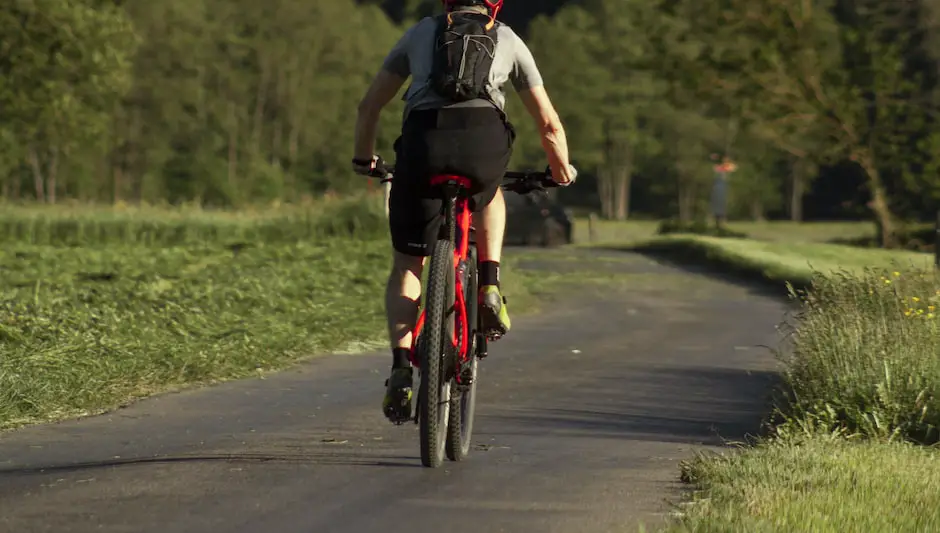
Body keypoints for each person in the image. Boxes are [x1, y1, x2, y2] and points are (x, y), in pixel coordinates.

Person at [352, 0, 576, 423]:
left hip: (424, 143)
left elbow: (369, 107)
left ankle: (401, 366)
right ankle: (489, 282)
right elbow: (548, 123)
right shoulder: (508, 38)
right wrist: (561, 171)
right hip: (482, 143)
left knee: (407, 263)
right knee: (488, 193)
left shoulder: (420, 33)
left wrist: (365, 160)